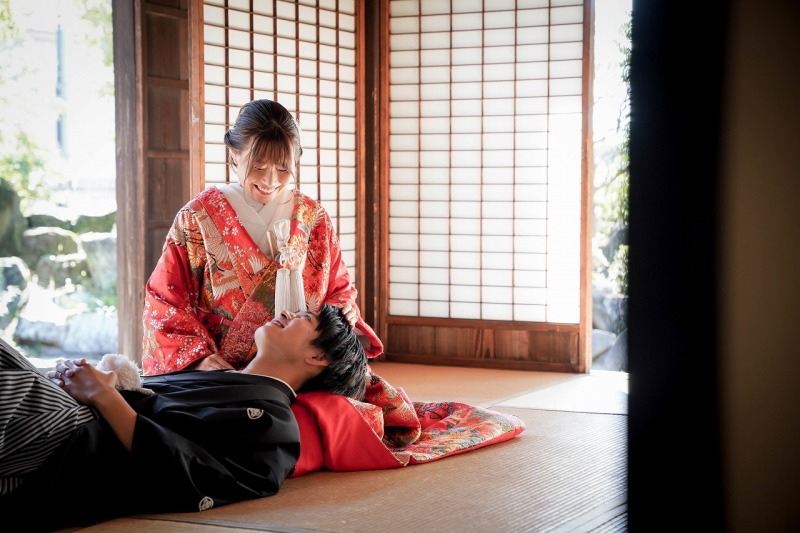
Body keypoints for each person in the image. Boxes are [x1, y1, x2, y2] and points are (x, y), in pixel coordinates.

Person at [0, 304, 367, 531]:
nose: (284, 313)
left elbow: (184, 475)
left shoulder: (275, 426)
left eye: (302, 318)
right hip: (66, 417)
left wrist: (102, 394)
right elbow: (142, 393)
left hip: (73, 447)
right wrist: (94, 379)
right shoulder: (221, 376)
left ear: (319, 358)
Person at [141, 98, 382, 376]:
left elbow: (338, 288)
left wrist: (339, 316)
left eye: (283, 169)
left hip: (303, 372)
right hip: (224, 373)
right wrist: (198, 359)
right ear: (234, 154)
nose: (270, 181)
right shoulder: (198, 217)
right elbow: (166, 299)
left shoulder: (312, 216)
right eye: (258, 166)